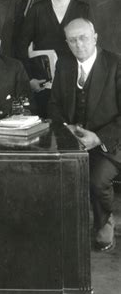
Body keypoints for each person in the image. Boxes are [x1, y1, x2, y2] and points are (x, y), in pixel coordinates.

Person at [48, 18, 120, 252]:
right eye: (72, 40)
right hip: (73, 138)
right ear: (67, 43)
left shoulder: (116, 64)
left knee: (96, 179)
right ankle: (66, 230)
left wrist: (98, 138)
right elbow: (54, 104)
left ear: (95, 38)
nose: (79, 44)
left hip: (110, 142)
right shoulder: (65, 64)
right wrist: (66, 128)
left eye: (83, 38)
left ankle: (104, 221)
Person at [18, 0, 92, 116]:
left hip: (74, 78)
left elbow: (90, 46)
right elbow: (21, 45)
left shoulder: (82, 9)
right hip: (44, 81)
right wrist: (29, 78)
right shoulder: (37, 9)